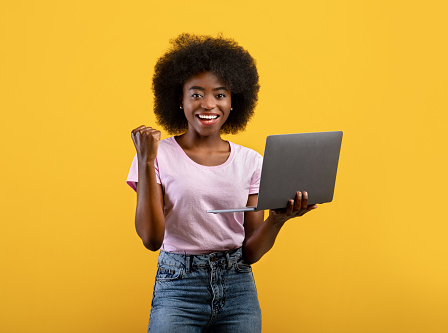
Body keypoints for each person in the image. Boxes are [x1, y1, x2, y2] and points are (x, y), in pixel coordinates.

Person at [127, 33, 317, 333]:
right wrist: (146, 161)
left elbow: (251, 253)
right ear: (179, 99)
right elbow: (151, 239)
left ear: (233, 101)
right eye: (196, 93)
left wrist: (278, 220)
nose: (208, 104)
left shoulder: (251, 162)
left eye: (220, 94)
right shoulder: (156, 154)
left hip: (238, 287)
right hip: (178, 287)